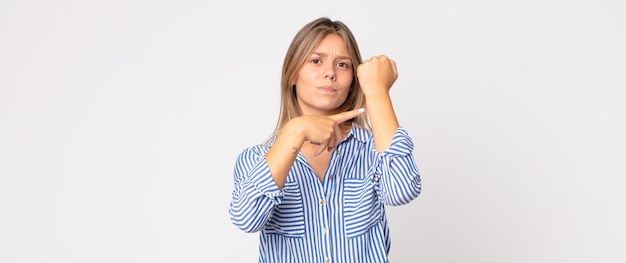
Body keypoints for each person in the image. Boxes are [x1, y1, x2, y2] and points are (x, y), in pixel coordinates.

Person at [229, 17, 422, 263]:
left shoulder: (372, 150)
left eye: (342, 65)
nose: (330, 73)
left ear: (353, 81)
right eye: (316, 61)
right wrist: (295, 131)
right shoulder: (256, 159)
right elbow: (246, 218)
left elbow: (402, 191)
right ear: (292, 75)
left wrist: (377, 92)